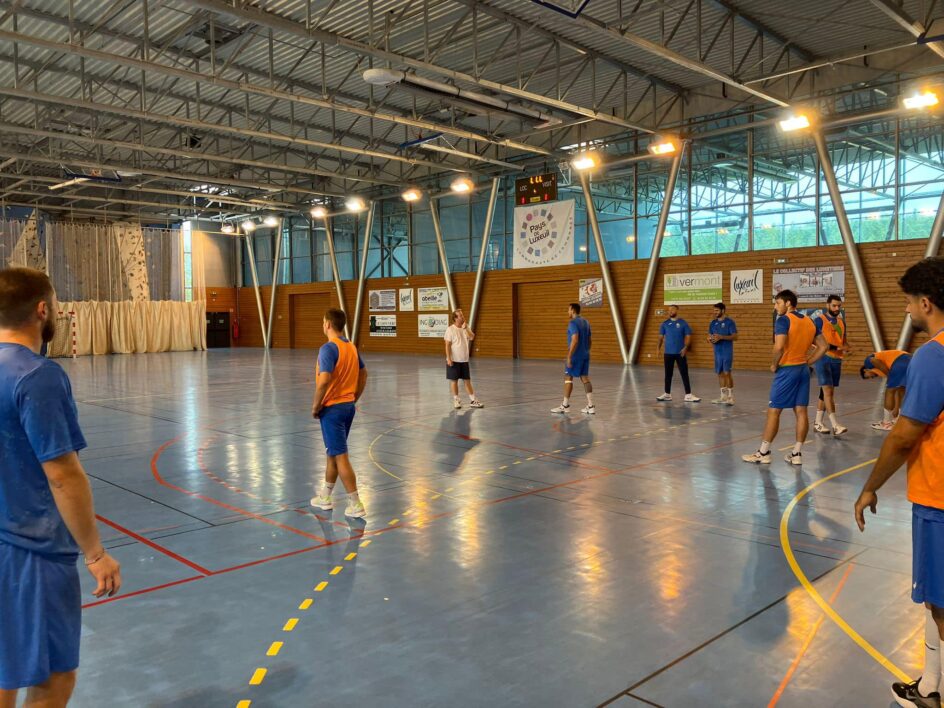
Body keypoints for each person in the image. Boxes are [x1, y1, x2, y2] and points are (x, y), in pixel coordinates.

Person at [0, 267, 121, 707]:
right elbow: (62, 474)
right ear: (42, 310)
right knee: (55, 676)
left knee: (6, 668)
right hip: (30, 550)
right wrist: (95, 553)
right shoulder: (37, 376)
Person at [852, 257, 944, 708]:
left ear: (926, 303)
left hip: (939, 498)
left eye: (909, 303)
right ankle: (931, 686)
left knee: (942, 603)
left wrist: (870, 485)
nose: (908, 312)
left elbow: (906, 435)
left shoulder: (934, 354)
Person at [742, 289, 828, 466]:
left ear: (788, 303)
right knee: (801, 411)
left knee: (774, 411)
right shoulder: (810, 321)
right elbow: (824, 346)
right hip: (803, 370)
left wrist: (774, 363)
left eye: (777, 303)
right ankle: (796, 454)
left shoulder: (783, 320)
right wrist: (808, 362)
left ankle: (763, 452)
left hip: (787, 369)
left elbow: (779, 347)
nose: (775, 307)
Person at [310, 308, 369, 519]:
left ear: (327, 324)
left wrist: (316, 406)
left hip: (332, 409)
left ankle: (356, 503)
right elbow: (363, 373)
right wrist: (354, 397)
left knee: (341, 456)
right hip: (347, 407)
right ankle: (325, 496)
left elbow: (324, 379)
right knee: (333, 453)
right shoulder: (351, 347)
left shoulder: (328, 348)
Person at [813, 294, 852, 436]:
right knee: (828, 391)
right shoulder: (819, 321)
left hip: (836, 360)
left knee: (825, 392)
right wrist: (833, 348)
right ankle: (835, 425)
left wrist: (848, 347)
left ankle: (818, 423)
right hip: (823, 358)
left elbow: (843, 341)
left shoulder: (841, 322)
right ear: (827, 305)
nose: (837, 308)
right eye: (834, 305)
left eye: (839, 306)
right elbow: (813, 341)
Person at [551, 303, 595, 415]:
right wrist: (586, 350)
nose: (568, 312)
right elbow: (590, 340)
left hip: (575, 355)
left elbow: (575, 339)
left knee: (568, 377)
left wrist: (569, 356)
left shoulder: (573, 323)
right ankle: (591, 406)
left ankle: (565, 405)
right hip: (585, 354)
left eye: (568, 310)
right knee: (585, 378)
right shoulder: (586, 322)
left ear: (573, 310)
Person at [656, 304, 700, 402]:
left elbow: (688, 336)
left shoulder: (683, 323)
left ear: (677, 310)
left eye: (672, 309)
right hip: (668, 353)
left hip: (680, 353)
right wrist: (658, 349)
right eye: (669, 310)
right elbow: (660, 337)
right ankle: (667, 394)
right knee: (668, 374)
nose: (670, 311)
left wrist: (685, 348)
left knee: (684, 373)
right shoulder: (665, 324)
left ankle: (688, 395)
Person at [861, 349, 912, 431]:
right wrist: (896, 408)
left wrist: (889, 375)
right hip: (910, 359)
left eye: (868, 376)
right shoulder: (881, 369)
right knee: (901, 390)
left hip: (899, 361)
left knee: (889, 392)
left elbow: (874, 360)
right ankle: (898, 419)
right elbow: (898, 392)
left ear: (865, 370)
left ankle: (886, 423)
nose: (871, 377)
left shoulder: (867, 362)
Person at [444, 309, 483, 410]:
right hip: (454, 360)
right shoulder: (450, 329)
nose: (463, 317)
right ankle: (456, 400)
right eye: (460, 315)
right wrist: (449, 358)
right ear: (455, 318)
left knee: (467, 380)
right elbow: (447, 345)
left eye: (462, 315)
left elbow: (472, 337)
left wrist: (466, 329)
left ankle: (473, 400)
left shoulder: (466, 327)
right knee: (454, 381)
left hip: (464, 360)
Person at [707, 302, 738, 405]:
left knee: (727, 373)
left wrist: (722, 337)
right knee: (719, 373)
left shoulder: (730, 322)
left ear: (723, 311)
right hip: (717, 352)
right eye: (714, 310)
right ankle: (723, 397)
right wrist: (710, 338)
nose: (714, 312)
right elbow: (710, 336)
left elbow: (735, 337)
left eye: (717, 310)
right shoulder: (713, 323)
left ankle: (731, 397)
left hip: (726, 351)